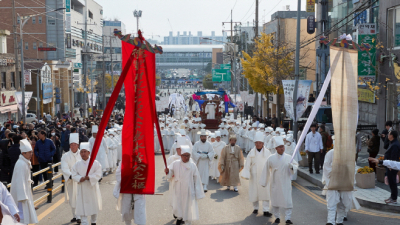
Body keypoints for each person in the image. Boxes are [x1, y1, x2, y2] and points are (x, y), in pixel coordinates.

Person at [260, 136, 298, 224]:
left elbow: (295, 165)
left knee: (288, 201)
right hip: (275, 182)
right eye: (280, 147)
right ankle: (277, 217)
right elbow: (265, 169)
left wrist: (292, 167)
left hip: (286, 182)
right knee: (275, 201)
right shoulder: (271, 158)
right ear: (276, 148)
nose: (282, 148)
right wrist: (264, 181)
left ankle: (288, 218)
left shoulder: (289, 157)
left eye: (283, 147)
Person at [165, 145, 205, 225]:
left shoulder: (192, 165)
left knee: (188, 206)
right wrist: (167, 172)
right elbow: (170, 173)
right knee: (178, 205)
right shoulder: (175, 163)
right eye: (184, 155)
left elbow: (197, 179)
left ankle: (187, 221)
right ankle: (179, 218)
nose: (186, 157)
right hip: (178, 189)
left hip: (188, 190)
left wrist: (197, 193)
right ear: (181, 155)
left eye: (188, 155)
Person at [323, 145, 359, 225]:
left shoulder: (349, 154)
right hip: (333, 181)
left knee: (343, 203)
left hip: (345, 182)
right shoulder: (330, 153)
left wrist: (348, 177)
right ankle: (330, 221)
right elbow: (326, 167)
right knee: (332, 202)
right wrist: (334, 172)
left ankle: (339, 221)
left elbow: (354, 167)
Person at [241, 132, 272, 217]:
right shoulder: (251, 152)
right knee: (254, 192)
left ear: (263, 143)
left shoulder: (268, 152)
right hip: (254, 175)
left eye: (260, 143)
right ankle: (255, 208)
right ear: (254, 143)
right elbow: (247, 163)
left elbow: (271, 163)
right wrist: (246, 173)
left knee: (265, 192)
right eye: (256, 143)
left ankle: (266, 210)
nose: (258, 144)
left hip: (265, 175)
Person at [72, 142, 102, 225]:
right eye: (81, 152)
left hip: (92, 187)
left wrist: (89, 177)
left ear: (89, 152)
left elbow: (98, 174)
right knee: (82, 208)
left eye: (85, 151)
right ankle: (84, 222)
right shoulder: (77, 164)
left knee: (94, 206)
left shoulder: (95, 163)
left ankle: (93, 221)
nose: (83, 153)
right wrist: (80, 178)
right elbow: (74, 174)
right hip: (82, 188)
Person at [10, 139, 38, 224]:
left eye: (31, 152)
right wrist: (23, 197)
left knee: (24, 215)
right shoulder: (21, 164)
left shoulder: (24, 162)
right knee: (22, 215)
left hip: (24, 192)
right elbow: (20, 182)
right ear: (23, 153)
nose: (31, 154)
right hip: (21, 195)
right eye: (29, 152)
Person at [61, 133, 82, 224]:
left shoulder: (82, 154)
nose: (73, 146)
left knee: (80, 198)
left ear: (78, 145)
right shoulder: (65, 156)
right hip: (71, 180)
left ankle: (79, 216)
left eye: (75, 145)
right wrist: (73, 176)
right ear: (69, 145)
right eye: (71, 145)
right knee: (72, 198)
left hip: (81, 180)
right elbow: (64, 168)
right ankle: (75, 215)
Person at [383, 130, 400, 204]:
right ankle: (392, 197)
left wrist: (391, 166)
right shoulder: (392, 143)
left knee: (393, 182)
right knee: (391, 181)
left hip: (391, 166)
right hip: (389, 165)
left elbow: (394, 156)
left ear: (392, 135)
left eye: (389, 134)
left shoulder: (395, 144)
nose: (387, 135)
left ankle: (394, 198)